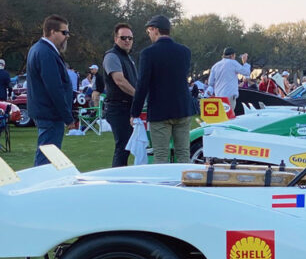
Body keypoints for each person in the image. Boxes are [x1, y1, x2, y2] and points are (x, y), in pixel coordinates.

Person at [130, 15, 195, 164]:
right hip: (182, 107)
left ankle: (164, 185)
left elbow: (142, 85)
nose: (149, 35)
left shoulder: (148, 53)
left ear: (155, 30)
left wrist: (135, 112)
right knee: (183, 153)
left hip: (160, 110)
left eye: (149, 32)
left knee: (160, 155)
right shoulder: (185, 51)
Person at [26, 14, 75, 166]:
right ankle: (40, 187)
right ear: (52, 32)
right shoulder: (46, 52)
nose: (67, 36)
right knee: (47, 157)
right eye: (64, 32)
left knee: (48, 154)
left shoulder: (39, 49)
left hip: (46, 112)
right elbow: (54, 88)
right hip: (50, 114)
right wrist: (68, 117)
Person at [103, 22, 138, 166]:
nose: (127, 41)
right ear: (116, 39)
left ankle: (122, 178)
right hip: (118, 108)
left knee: (128, 147)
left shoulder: (128, 58)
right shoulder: (112, 56)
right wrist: (138, 95)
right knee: (123, 146)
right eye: (123, 38)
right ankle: (117, 180)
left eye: (130, 38)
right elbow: (119, 81)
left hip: (128, 107)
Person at [207, 47, 251, 116]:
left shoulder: (215, 65)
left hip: (219, 96)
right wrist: (245, 62)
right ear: (232, 55)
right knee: (229, 116)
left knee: (221, 116)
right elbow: (246, 72)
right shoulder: (233, 63)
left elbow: (210, 83)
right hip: (230, 96)